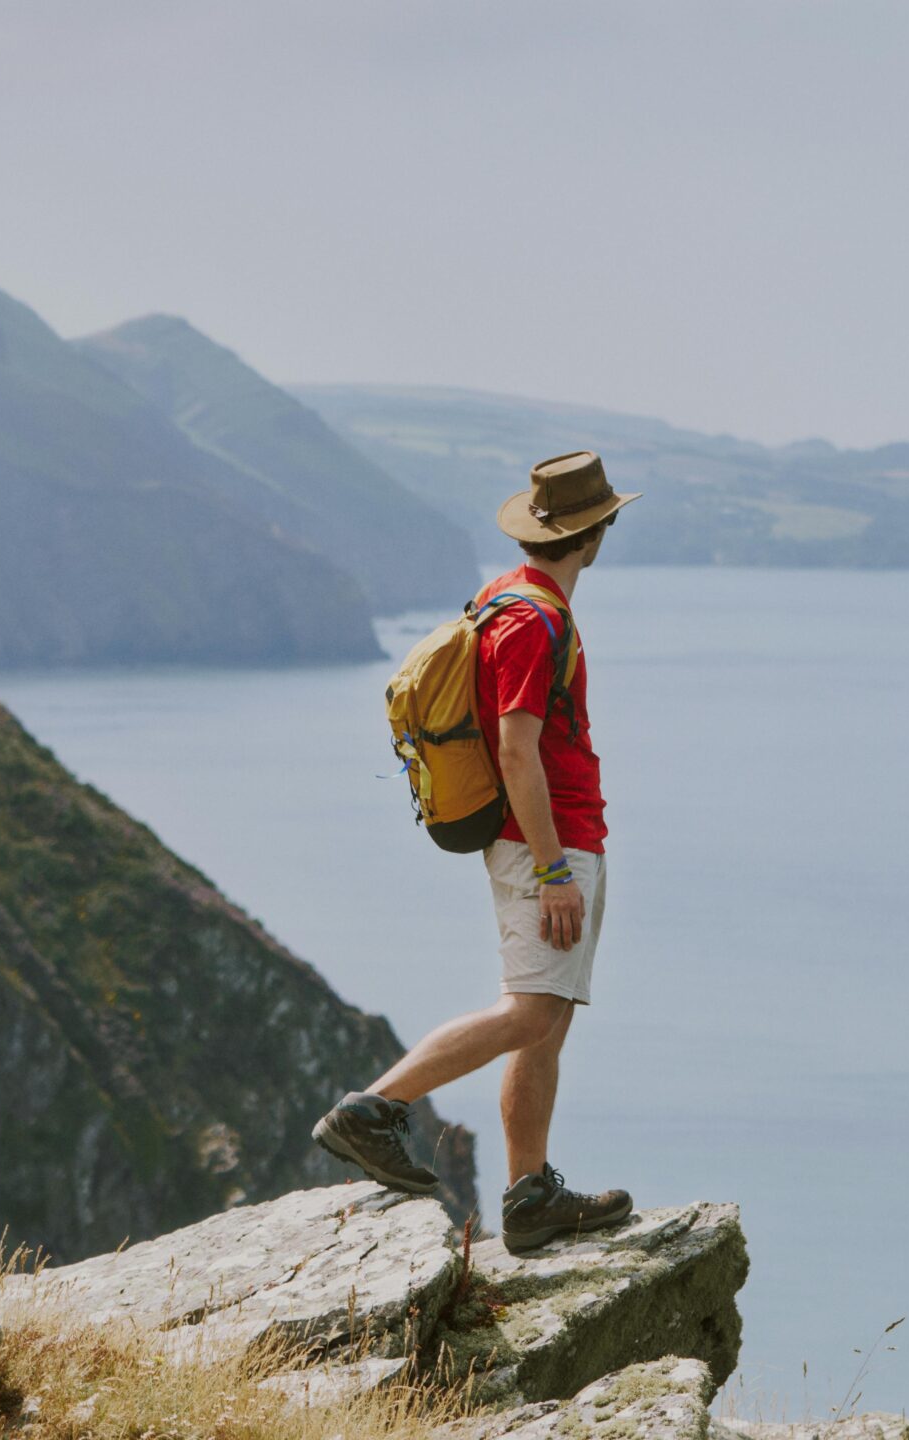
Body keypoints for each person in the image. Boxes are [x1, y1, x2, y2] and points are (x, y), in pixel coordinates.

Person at [313, 450, 642, 1254]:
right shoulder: (536, 621)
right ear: (595, 533)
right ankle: (374, 1109)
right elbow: (518, 751)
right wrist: (555, 868)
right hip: (546, 840)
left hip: (544, 836)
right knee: (531, 1011)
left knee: (545, 1022)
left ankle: (529, 1197)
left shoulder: (505, 596)